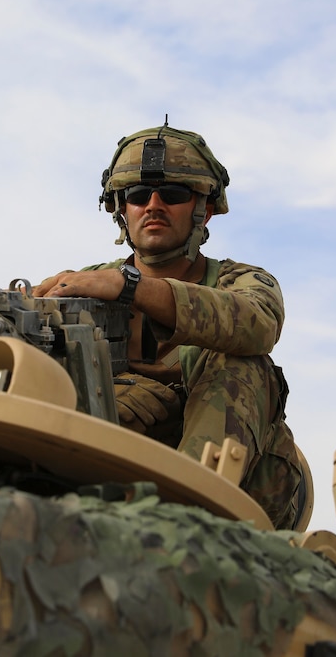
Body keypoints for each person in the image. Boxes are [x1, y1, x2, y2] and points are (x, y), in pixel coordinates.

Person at [33, 123, 303, 529]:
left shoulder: (240, 280)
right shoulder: (83, 285)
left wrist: (132, 288)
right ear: (122, 210)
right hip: (106, 470)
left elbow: (257, 323)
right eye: (139, 196)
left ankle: (182, 519)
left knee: (240, 362)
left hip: (246, 494)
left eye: (173, 195)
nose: (153, 205)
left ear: (203, 209)